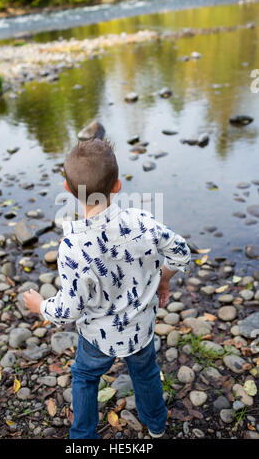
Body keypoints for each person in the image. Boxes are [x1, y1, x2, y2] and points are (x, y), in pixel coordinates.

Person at [23, 138, 191, 439]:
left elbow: (69, 309)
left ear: (67, 189)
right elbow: (181, 251)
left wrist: (41, 307)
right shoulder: (142, 222)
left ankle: (83, 438)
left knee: (85, 376)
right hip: (140, 328)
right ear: (117, 186)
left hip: (98, 336)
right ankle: (156, 425)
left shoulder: (72, 247)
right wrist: (164, 277)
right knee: (146, 374)